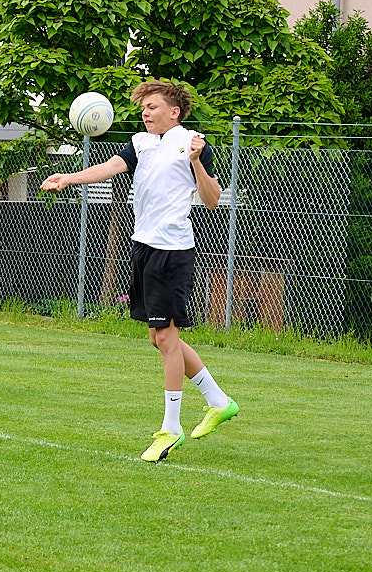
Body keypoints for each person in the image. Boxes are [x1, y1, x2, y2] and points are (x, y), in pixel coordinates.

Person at [41, 80, 239, 462]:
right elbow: (109, 168)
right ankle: (218, 401)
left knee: (166, 337)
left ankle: (171, 429)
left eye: (152, 107)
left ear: (174, 112)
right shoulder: (141, 143)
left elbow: (213, 200)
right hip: (143, 246)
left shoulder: (193, 143)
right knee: (158, 338)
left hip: (172, 251)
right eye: (144, 108)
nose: (145, 113)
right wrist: (68, 178)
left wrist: (196, 161)